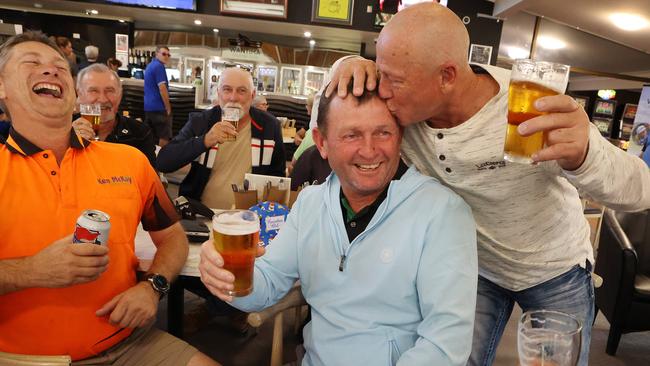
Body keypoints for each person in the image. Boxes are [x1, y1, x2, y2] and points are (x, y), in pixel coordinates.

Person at [327, 3, 650, 366]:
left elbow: (641, 189)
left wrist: (585, 154)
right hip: (475, 266)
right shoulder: (403, 111)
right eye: (379, 72)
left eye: (394, 80)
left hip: (553, 268)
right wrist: (343, 67)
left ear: (447, 76)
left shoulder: (531, 101)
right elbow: (330, 117)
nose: (382, 91)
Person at [199, 86, 478, 365]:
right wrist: (226, 277)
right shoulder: (311, 203)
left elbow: (445, 344)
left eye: (383, 132)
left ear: (400, 137)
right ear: (321, 142)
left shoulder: (443, 213)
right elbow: (268, 281)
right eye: (351, 135)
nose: (369, 151)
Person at [0, 31, 217, 366]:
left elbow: (173, 237)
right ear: (1, 87)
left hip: (128, 344)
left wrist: (153, 287)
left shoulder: (130, 161)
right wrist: (30, 271)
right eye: (32, 63)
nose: (51, 70)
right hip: (20, 356)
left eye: (60, 66)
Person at [157, 67, 286, 208]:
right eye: (227, 89)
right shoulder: (201, 122)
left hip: (249, 218)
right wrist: (205, 140)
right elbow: (164, 162)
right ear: (218, 94)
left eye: (242, 91)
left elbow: (277, 177)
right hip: (202, 214)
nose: (233, 97)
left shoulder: (269, 126)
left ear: (252, 95)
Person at [72, 63, 157, 167]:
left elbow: (150, 180)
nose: (102, 99)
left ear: (120, 95)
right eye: (93, 91)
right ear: (79, 94)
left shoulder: (140, 134)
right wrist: (70, 142)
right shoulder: (63, 131)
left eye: (110, 91)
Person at [144, 45, 173, 147]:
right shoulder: (159, 67)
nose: (166, 56)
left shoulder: (150, 66)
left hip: (148, 107)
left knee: (150, 136)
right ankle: (161, 160)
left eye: (168, 55)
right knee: (164, 136)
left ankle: (151, 159)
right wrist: (168, 107)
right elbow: (162, 88)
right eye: (164, 54)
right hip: (159, 107)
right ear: (157, 54)